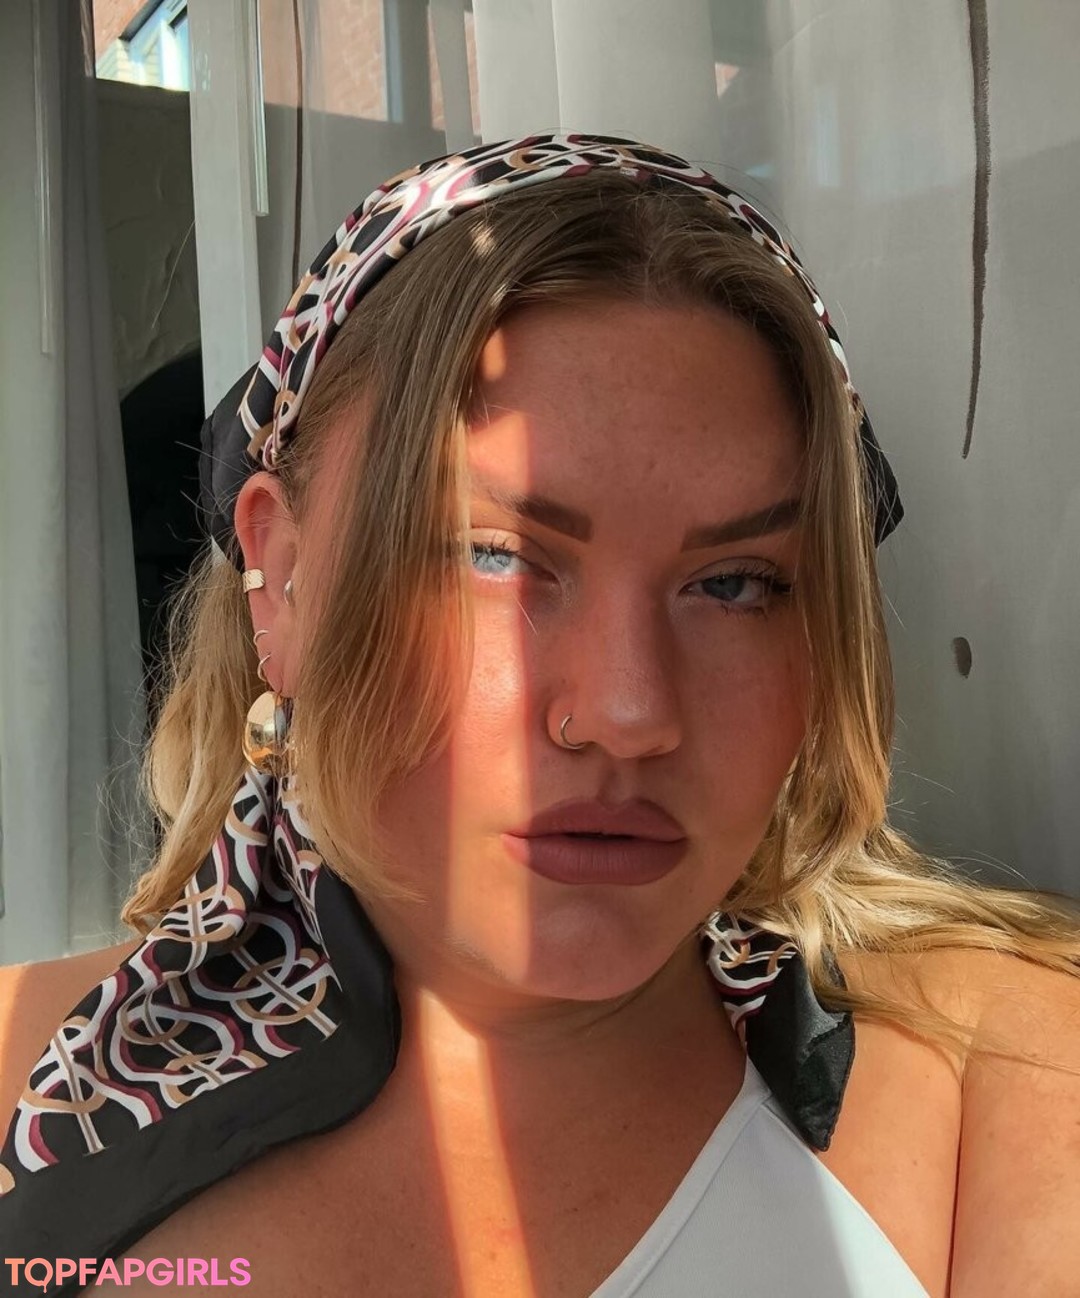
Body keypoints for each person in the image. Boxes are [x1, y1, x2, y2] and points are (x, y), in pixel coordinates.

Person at [1, 132, 1078, 1297]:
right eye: (497, 555)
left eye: (735, 582)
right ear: (283, 577)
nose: (627, 712)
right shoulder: (30, 1089)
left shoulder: (1007, 1076)